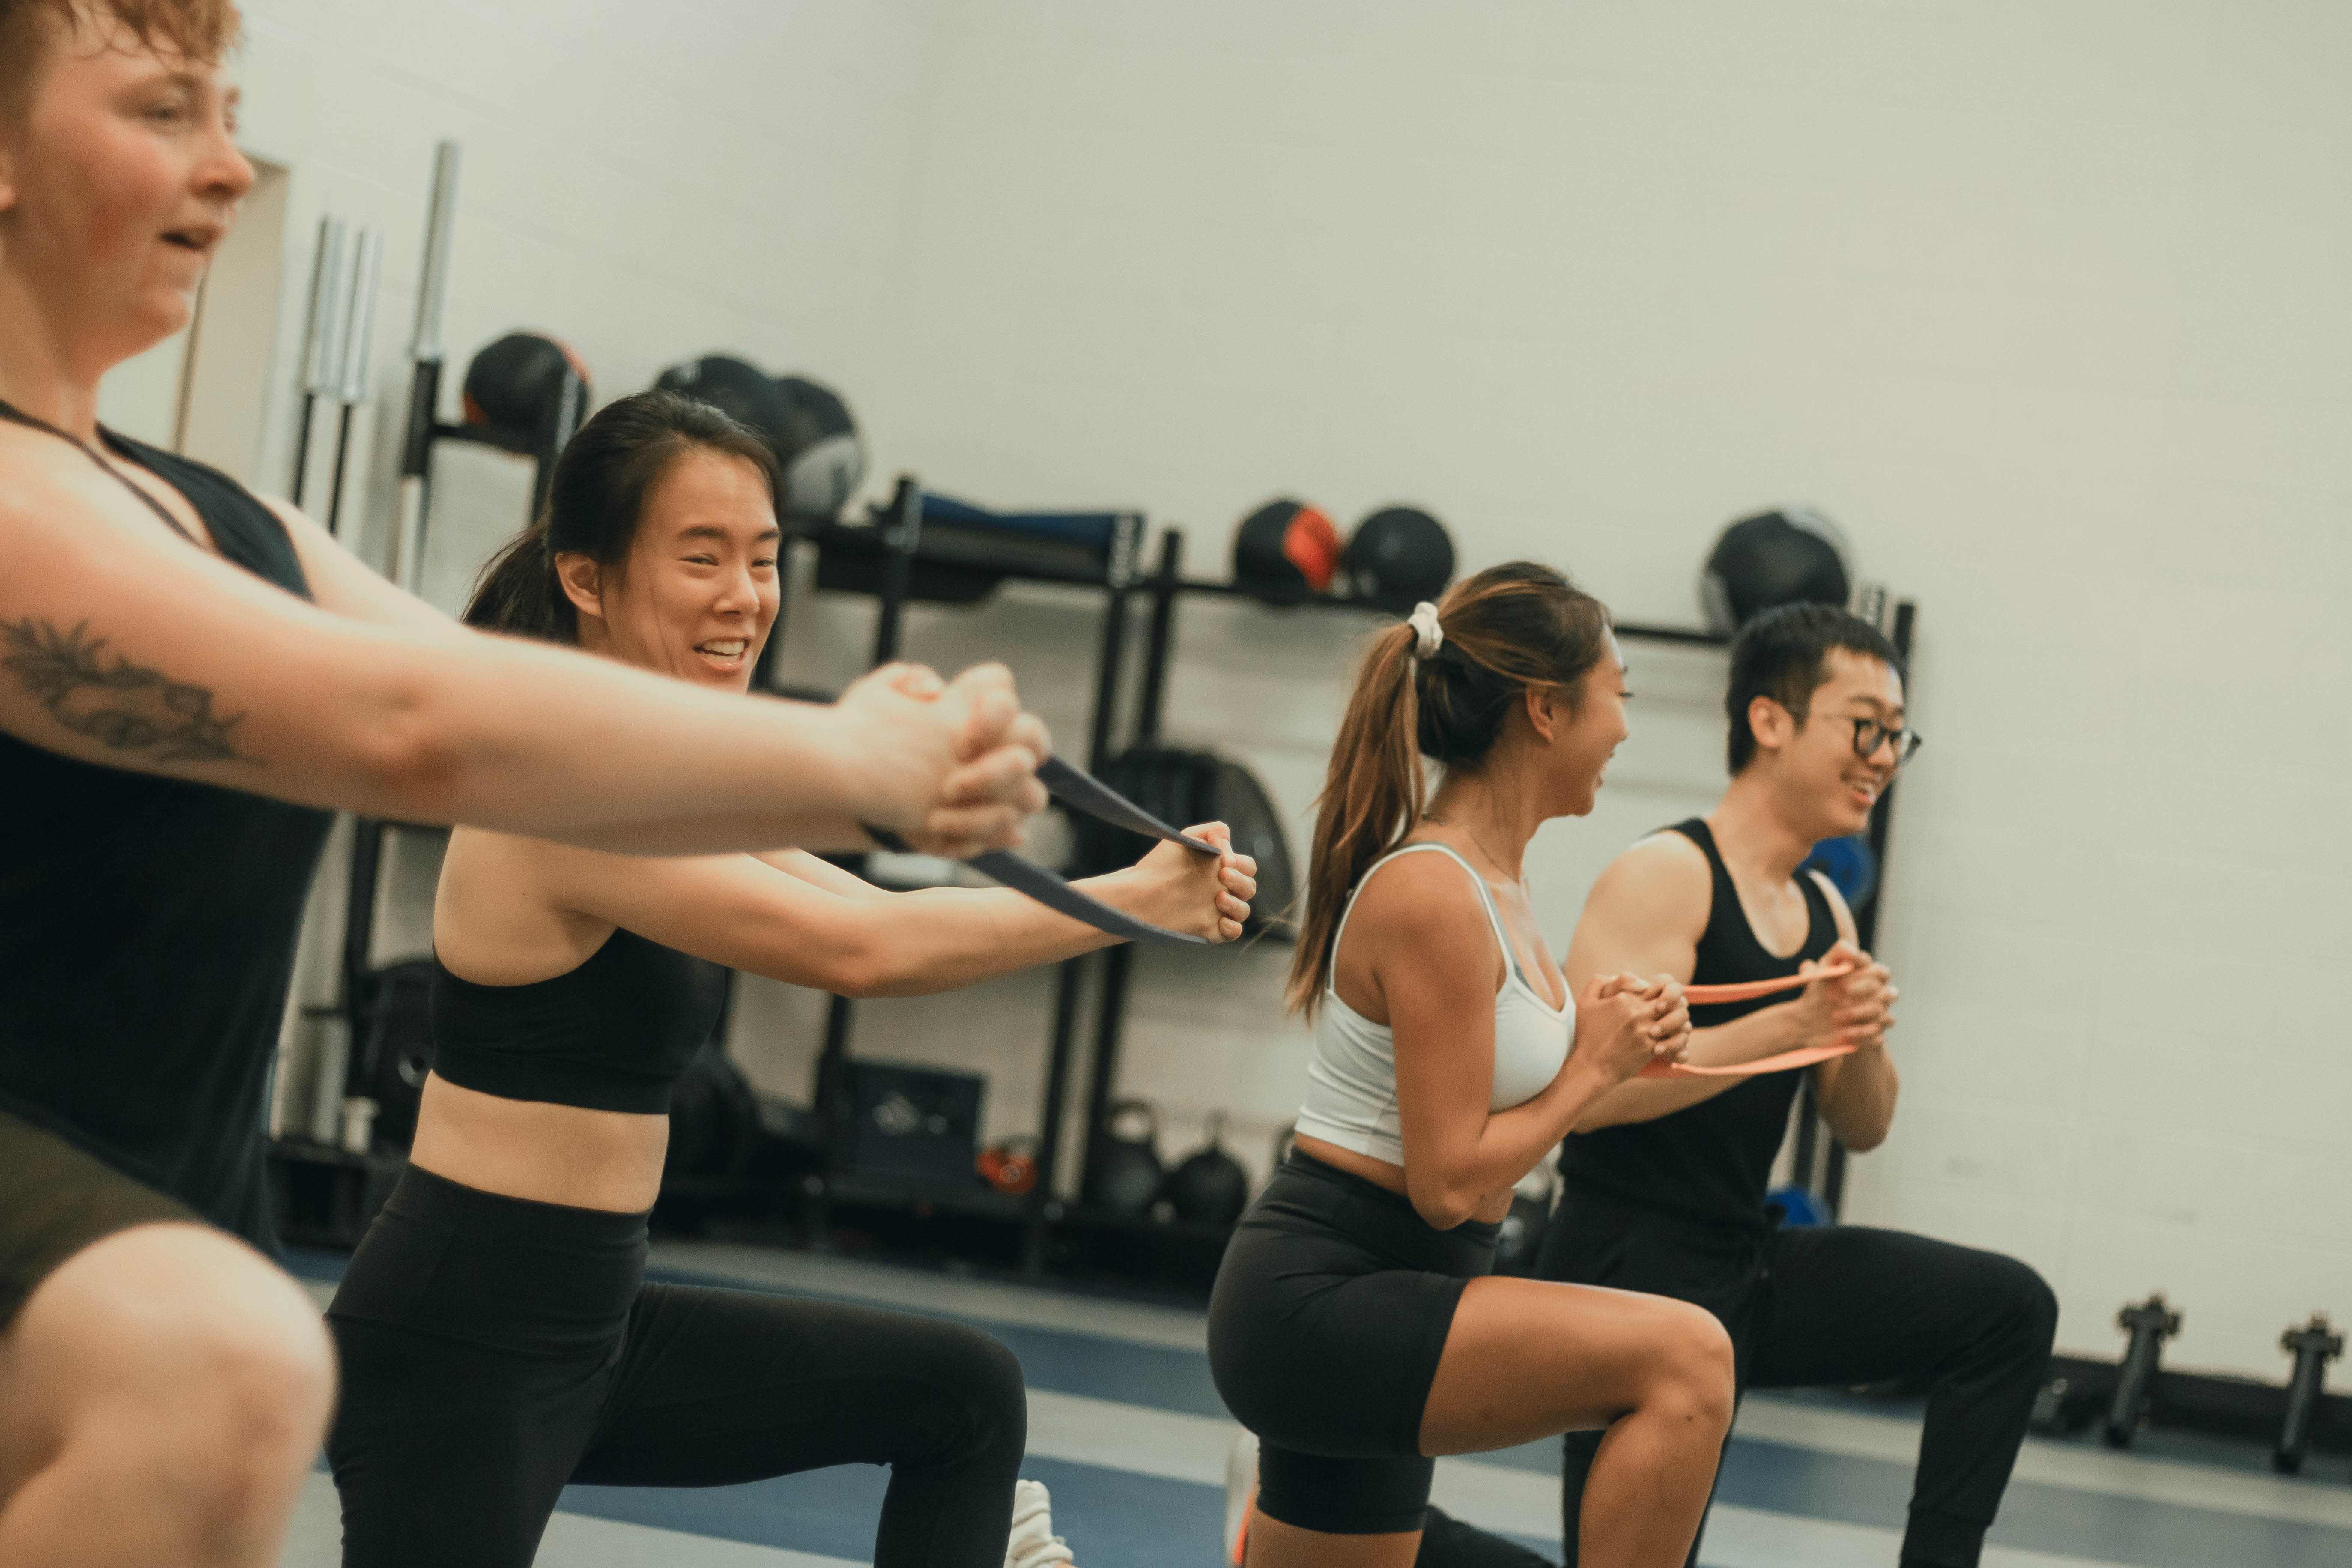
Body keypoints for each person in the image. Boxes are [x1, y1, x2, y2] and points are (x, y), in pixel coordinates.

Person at [0, 6, 1048, 1565]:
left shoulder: (226, 517)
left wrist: (891, 780)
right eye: (163, 111)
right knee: (219, 1367)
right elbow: (422, 723)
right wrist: (852, 759)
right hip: (211, 1273)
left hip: (186, 1224)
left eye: (233, 112)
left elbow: (514, 705)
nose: (225, 167)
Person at [323, 388, 1259, 1568]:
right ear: (586, 576)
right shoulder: (559, 793)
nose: (744, 596)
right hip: (462, 1340)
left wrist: (1113, 885)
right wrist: (1126, 904)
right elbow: (856, 956)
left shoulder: (665, 777)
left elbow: (872, 903)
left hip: (596, 1325)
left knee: (959, 1392)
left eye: (763, 558)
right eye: (700, 556)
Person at [1207, 564, 1737, 1568]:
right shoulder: (1436, 891)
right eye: (1619, 694)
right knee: (1690, 1361)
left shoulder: (1499, 888)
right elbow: (1450, 1182)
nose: (1624, 728)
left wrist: (1603, 1039)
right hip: (1332, 1297)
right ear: (1546, 709)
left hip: (1396, 1290)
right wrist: (1593, 1067)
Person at [1520, 602, 2058, 1568]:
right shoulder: (1666, 874)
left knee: (2007, 1310)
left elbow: (1863, 1127)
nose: (1884, 755)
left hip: (1740, 1259)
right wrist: (1791, 1023)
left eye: (1897, 735)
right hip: (1624, 1269)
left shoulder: (1821, 908)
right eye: (1864, 725)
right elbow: (1587, 1094)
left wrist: (1856, 1035)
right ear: (1771, 720)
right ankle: (1348, 1538)